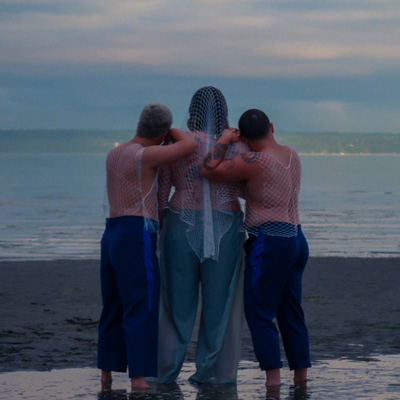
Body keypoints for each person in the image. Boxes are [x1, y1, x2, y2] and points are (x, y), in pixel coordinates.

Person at [201, 109, 311, 387]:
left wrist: (225, 139)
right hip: (297, 239)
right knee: (291, 312)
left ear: (246, 139)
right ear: (272, 127)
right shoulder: (291, 154)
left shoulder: (254, 160)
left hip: (270, 241)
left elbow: (207, 169)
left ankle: (272, 382)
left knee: (259, 313)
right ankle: (301, 378)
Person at [97, 103, 198, 390]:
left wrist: (162, 131)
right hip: (136, 232)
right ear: (163, 131)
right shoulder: (147, 155)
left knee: (113, 306)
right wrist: (173, 132)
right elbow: (189, 145)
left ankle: (106, 375)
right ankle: (139, 380)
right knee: (141, 306)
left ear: (139, 124)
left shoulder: (115, 152)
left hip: (112, 232)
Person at [157, 87, 250, 384]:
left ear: (191, 111)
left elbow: (161, 193)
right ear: (224, 111)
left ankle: (165, 373)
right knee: (219, 305)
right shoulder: (239, 146)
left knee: (175, 305)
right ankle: (212, 375)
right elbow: (248, 191)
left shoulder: (175, 143)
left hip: (179, 222)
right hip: (226, 222)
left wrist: (160, 228)